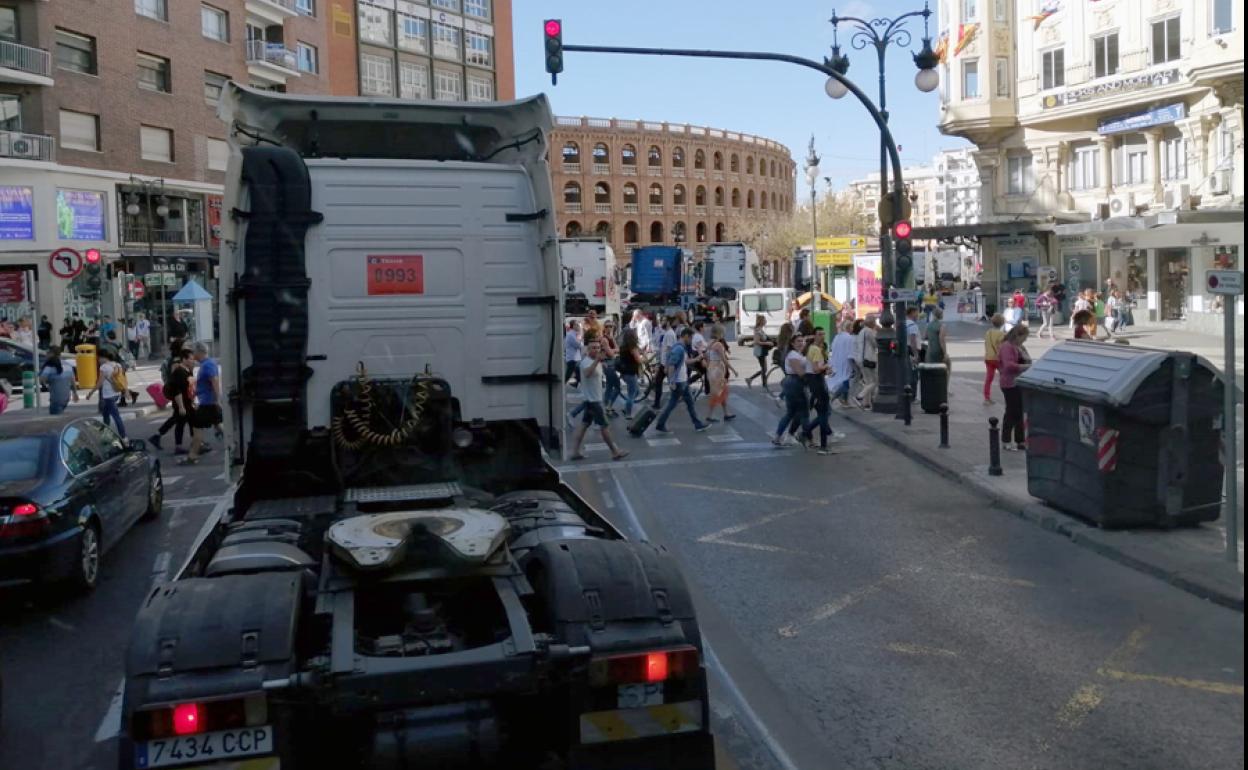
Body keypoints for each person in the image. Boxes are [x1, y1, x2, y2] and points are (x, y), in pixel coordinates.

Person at [567, 337, 630, 461]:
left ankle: (574, 451)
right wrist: (597, 361)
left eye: (597, 347)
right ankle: (615, 451)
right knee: (604, 426)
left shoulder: (597, 361)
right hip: (593, 401)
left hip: (592, 399)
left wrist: (602, 363)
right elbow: (587, 373)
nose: (596, 350)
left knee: (584, 425)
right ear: (588, 349)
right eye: (593, 348)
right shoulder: (587, 362)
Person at [654, 327, 709, 434]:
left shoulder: (680, 348)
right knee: (673, 404)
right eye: (690, 338)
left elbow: (685, 362)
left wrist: (696, 359)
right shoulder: (679, 349)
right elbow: (671, 366)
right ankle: (661, 424)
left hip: (682, 381)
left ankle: (698, 424)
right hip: (679, 382)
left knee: (689, 403)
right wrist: (671, 382)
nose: (691, 340)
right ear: (686, 336)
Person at [182, 342, 221, 464]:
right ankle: (236, 444)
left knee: (197, 427)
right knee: (219, 424)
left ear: (200, 352)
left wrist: (217, 400)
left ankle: (192, 456)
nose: (193, 355)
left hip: (207, 403)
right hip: (209, 401)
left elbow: (214, 381)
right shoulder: (208, 363)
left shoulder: (207, 365)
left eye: (194, 352)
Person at [151, 349, 195, 454]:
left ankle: (158, 437)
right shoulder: (179, 371)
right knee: (185, 422)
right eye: (191, 359)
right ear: (184, 359)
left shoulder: (186, 370)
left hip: (186, 402)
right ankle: (193, 444)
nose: (193, 361)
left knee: (179, 421)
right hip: (182, 403)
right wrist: (181, 406)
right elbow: (177, 390)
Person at [998, 324, 1032, 452]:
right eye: (1024, 337)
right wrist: (1024, 367)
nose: (1025, 340)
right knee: (1012, 412)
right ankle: (1006, 440)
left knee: (1020, 412)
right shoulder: (1007, 347)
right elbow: (1008, 366)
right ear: (1017, 335)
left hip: (1018, 382)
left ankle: (1020, 440)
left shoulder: (1018, 346)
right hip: (1010, 383)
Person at [773, 333, 809, 447]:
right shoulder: (793, 355)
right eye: (798, 341)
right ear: (792, 343)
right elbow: (800, 373)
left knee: (793, 412)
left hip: (793, 382)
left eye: (802, 341)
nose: (801, 343)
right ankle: (806, 437)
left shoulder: (796, 354)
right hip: (795, 382)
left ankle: (781, 436)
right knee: (803, 412)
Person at [85, 349, 127, 438]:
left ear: (103, 357)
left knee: (116, 417)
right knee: (105, 413)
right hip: (117, 393)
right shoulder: (117, 365)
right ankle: (105, 432)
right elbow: (123, 379)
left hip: (109, 395)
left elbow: (99, 383)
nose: (98, 360)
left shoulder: (104, 367)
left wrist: (90, 393)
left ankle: (123, 436)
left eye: (99, 358)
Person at [703, 324, 737, 423]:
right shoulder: (718, 345)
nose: (724, 334)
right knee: (718, 393)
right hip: (717, 370)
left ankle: (726, 413)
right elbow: (724, 359)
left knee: (721, 391)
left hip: (711, 369)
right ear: (719, 333)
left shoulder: (709, 344)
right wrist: (733, 370)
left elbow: (707, 358)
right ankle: (709, 415)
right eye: (723, 332)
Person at [39, 346, 79, 415]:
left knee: (55, 418)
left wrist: (47, 380)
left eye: (47, 353)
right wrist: (75, 393)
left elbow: (42, 380)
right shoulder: (67, 365)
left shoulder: (49, 367)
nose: (46, 355)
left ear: (51, 354)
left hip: (55, 399)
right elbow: (72, 381)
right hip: (66, 398)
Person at [615, 328, 644, 419]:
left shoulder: (623, 346)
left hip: (624, 372)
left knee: (636, 391)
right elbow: (638, 360)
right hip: (631, 373)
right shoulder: (632, 347)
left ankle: (626, 407)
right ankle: (628, 413)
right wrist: (644, 359)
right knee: (632, 394)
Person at [828, 322, 856, 407]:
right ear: (849, 328)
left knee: (843, 379)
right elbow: (851, 351)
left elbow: (832, 348)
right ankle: (835, 396)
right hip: (846, 362)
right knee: (846, 381)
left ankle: (845, 401)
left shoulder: (837, 337)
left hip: (836, 360)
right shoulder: (849, 338)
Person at [855, 315, 879, 410]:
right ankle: (859, 396)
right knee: (874, 381)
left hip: (861, 359)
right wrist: (876, 331)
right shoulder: (869, 331)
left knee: (868, 382)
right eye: (874, 321)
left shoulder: (861, 331)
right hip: (869, 359)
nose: (875, 323)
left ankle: (866, 403)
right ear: (871, 323)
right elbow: (876, 344)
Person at [599, 320, 622, 416]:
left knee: (609, 386)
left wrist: (612, 341)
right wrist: (614, 351)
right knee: (617, 387)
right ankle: (608, 406)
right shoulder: (604, 339)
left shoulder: (611, 338)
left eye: (611, 326)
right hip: (608, 365)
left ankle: (606, 407)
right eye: (607, 326)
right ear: (604, 328)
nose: (609, 328)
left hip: (610, 364)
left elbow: (617, 349)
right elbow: (611, 354)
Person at [982, 313, 1006, 405]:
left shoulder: (988, 332)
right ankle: (1007, 396)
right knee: (1004, 378)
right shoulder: (1001, 334)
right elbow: (1000, 347)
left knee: (989, 379)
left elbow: (986, 344)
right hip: (998, 359)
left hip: (988, 358)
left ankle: (986, 398)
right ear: (1002, 323)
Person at [745, 315, 772, 391]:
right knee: (764, 368)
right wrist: (767, 343)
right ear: (761, 321)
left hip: (761, 351)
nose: (766, 321)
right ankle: (762, 384)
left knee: (764, 368)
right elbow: (757, 342)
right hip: (759, 351)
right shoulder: (758, 330)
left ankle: (752, 380)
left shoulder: (760, 329)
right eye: (764, 319)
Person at [563, 320, 583, 386]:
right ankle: (563, 384)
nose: (579, 326)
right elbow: (578, 345)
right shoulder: (571, 335)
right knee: (570, 372)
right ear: (573, 326)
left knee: (576, 371)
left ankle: (577, 382)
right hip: (572, 357)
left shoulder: (575, 334)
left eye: (579, 325)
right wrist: (580, 336)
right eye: (577, 325)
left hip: (575, 357)